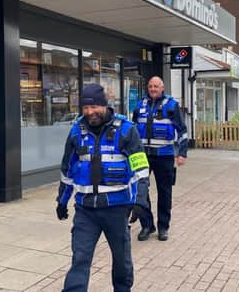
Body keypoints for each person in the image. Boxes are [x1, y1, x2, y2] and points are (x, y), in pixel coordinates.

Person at [56, 83, 150, 292]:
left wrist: (140, 201)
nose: (90, 112)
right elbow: (67, 170)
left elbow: (141, 170)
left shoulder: (126, 130)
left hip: (117, 210)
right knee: (80, 259)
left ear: (105, 105)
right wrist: (62, 201)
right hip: (85, 211)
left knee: (121, 260)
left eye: (94, 107)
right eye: (86, 108)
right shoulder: (76, 132)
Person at [132, 76, 188, 241]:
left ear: (162, 88)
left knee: (165, 192)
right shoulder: (140, 104)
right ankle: (147, 225)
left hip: (164, 156)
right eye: (150, 86)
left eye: (156, 86)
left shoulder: (171, 105)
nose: (153, 89)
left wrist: (182, 153)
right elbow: (132, 129)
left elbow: (182, 130)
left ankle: (163, 227)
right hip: (143, 155)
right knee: (140, 191)